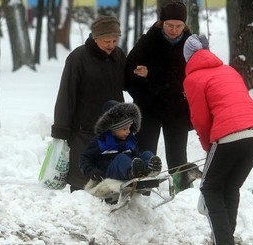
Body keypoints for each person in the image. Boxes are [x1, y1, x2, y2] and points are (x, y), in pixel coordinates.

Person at [182, 34, 253, 245]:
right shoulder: (228, 70)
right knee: (230, 187)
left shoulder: (192, 79)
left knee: (210, 188)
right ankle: (226, 238)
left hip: (229, 135)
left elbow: (200, 119)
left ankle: (223, 241)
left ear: (188, 57)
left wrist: (208, 146)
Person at [51, 15, 126, 192]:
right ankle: (80, 211)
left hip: (112, 129)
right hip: (83, 130)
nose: (111, 45)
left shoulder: (119, 56)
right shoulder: (78, 58)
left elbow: (125, 84)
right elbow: (66, 95)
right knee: (82, 179)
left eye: (114, 40)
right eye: (106, 41)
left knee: (108, 178)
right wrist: (62, 128)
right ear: (95, 37)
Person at [125, 1, 192, 190]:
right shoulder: (147, 42)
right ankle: (144, 190)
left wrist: (152, 73)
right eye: (169, 25)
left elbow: (190, 77)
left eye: (178, 26)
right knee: (145, 151)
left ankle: (181, 192)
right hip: (149, 107)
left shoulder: (191, 45)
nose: (173, 30)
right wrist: (147, 91)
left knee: (178, 153)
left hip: (177, 107)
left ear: (184, 25)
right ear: (161, 23)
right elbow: (129, 75)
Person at [79, 101, 162, 181]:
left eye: (129, 128)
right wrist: (92, 171)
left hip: (130, 166)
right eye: (124, 129)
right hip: (110, 172)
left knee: (146, 154)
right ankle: (132, 173)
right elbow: (85, 158)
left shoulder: (129, 140)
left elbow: (136, 155)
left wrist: (144, 159)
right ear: (112, 129)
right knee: (122, 158)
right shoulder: (101, 141)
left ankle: (150, 169)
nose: (128, 131)